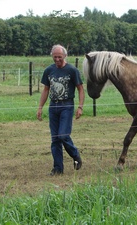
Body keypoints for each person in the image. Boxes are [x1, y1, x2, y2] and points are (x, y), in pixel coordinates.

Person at [36, 44, 85, 176]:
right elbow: (46, 89)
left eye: (59, 57)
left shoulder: (72, 70)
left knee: (63, 135)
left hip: (67, 106)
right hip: (53, 106)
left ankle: (75, 155)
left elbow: (80, 89)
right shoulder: (49, 70)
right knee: (55, 139)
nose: (57, 59)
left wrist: (80, 107)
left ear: (65, 56)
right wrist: (40, 107)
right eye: (55, 57)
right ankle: (58, 168)